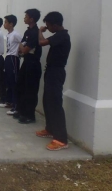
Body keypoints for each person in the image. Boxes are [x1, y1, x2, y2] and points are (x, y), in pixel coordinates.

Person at [37, 12, 71, 151]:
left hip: (56, 72)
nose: (47, 28)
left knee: (55, 104)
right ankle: (50, 129)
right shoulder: (58, 35)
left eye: (49, 25)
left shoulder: (62, 36)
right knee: (48, 101)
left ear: (56, 25)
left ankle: (61, 139)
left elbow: (41, 42)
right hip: (51, 71)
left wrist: (40, 31)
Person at [14, 9, 42, 124]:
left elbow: (24, 49)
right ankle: (22, 111)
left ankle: (30, 115)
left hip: (33, 64)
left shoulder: (35, 33)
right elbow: (22, 48)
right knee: (21, 86)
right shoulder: (27, 32)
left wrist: (22, 48)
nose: (24, 18)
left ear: (32, 19)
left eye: (26, 16)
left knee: (30, 90)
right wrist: (22, 48)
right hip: (26, 62)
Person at [0, 15, 22, 115]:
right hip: (8, 57)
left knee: (14, 82)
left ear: (11, 24)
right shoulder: (8, 34)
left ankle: (15, 105)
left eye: (6, 22)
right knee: (7, 80)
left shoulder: (16, 34)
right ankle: (8, 101)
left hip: (13, 58)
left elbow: (23, 42)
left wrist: (19, 52)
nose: (4, 24)